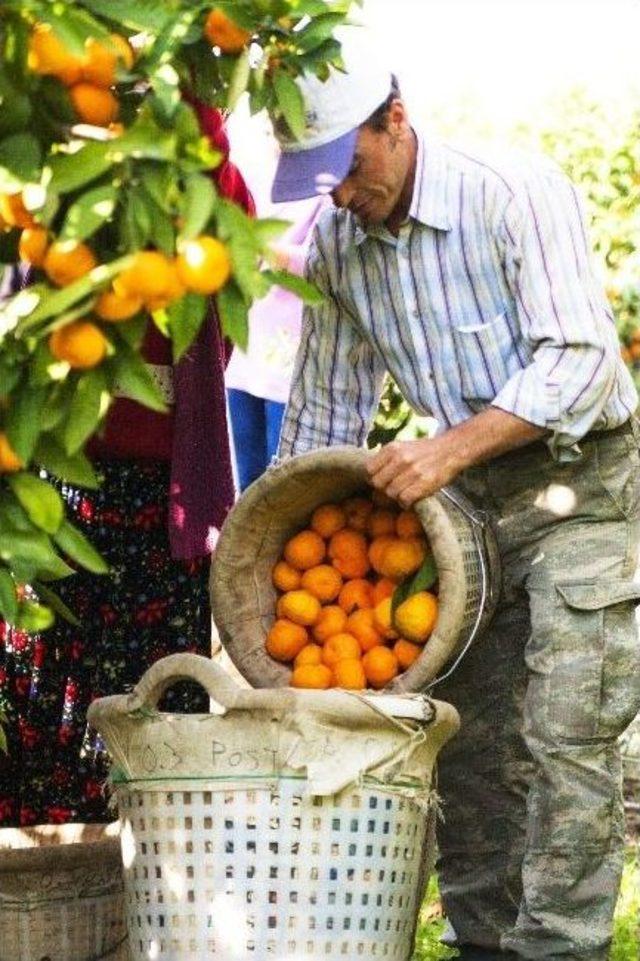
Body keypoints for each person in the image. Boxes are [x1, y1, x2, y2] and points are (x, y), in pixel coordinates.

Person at [270, 45, 640, 961]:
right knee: (466, 743)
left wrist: (449, 446)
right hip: (466, 507)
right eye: (321, 180)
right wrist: (267, 542)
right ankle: (485, 943)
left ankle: (559, 947)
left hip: (585, 481)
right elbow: (323, 412)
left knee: (566, 732)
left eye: (348, 168)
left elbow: (583, 362)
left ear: (395, 119)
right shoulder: (336, 246)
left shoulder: (508, 191)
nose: (339, 195)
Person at [0, 104, 253, 827]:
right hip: (48, 482)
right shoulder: (50, 158)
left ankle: (146, 884)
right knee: (39, 692)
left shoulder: (201, 174)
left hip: (160, 496)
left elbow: (225, 206)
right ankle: (40, 885)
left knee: (156, 708)